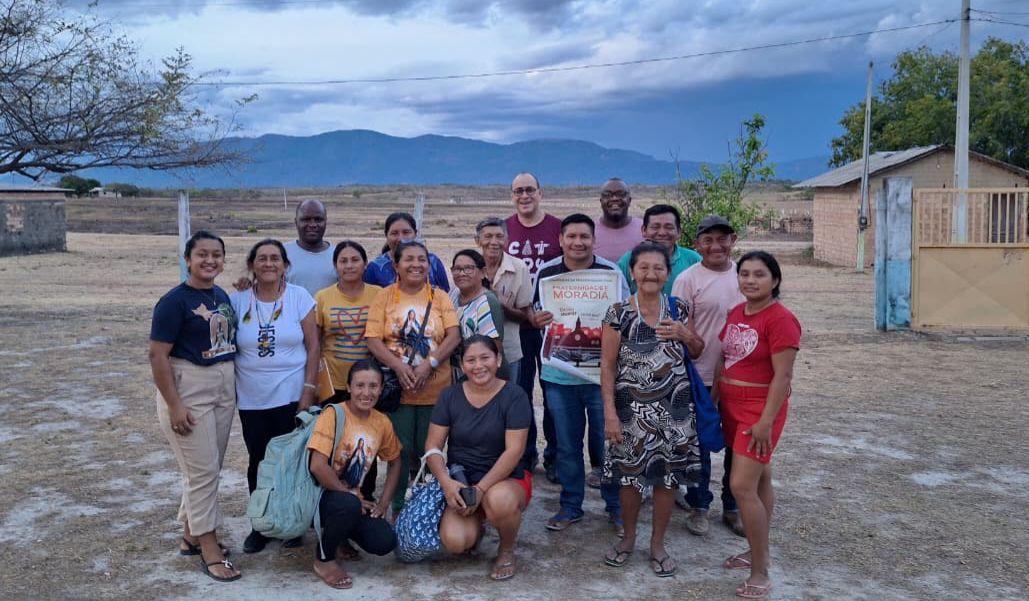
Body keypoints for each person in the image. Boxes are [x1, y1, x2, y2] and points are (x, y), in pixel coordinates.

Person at [600, 242, 704, 577]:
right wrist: (610, 414)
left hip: (674, 410)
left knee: (668, 478)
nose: (650, 274)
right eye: (643, 267)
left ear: (667, 273)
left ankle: (657, 544)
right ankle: (628, 539)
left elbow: (698, 350)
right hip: (629, 412)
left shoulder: (679, 309)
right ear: (632, 273)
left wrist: (685, 334)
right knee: (629, 479)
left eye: (658, 268)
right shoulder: (618, 313)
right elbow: (607, 365)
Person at [149, 230, 240, 582]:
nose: (210, 261)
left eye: (217, 255)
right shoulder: (174, 301)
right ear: (188, 259)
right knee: (201, 471)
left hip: (221, 384)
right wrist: (174, 404)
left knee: (208, 466)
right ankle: (209, 548)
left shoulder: (220, 295)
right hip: (189, 386)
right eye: (202, 254)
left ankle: (190, 534)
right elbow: (158, 355)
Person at [531, 213, 629, 534]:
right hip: (559, 376)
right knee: (568, 445)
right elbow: (536, 311)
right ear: (560, 240)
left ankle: (615, 506)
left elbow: (626, 316)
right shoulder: (547, 274)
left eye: (584, 237)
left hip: (602, 377)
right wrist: (538, 318)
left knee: (608, 443)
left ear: (593, 240)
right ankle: (571, 505)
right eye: (571, 236)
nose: (578, 242)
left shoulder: (610, 273)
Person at [716, 251, 801, 600]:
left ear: (775, 280)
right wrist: (715, 395)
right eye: (745, 274)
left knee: (741, 486)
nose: (750, 280)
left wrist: (766, 421)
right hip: (731, 404)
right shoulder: (737, 312)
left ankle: (761, 572)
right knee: (761, 476)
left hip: (759, 409)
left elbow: (783, 376)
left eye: (760, 274)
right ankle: (756, 550)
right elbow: (727, 356)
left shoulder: (780, 319)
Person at [230, 239, 320, 554]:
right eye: (262, 258)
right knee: (258, 461)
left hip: (292, 395)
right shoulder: (237, 300)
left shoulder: (300, 298)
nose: (269, 263)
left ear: (285, 264)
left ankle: (292, 522)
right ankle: (261, 524)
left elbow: (313, 346)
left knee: (292, 462)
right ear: (252, 264)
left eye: (275, 258)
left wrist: (309, 390)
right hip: (252, 399)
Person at [425, 335, 532, 581]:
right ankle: (478, 524)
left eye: (485, 358)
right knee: (455, 542)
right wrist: (447, 483)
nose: (478, 366)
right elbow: (432, 445)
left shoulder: (514, 395)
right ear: (462, 365)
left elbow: (514, 451)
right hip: (462, 479)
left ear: (498, 360)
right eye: (470, 360)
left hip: (505, 479)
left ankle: (506, 549)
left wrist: (482, 488)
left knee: (499, 501)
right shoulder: (449, 396)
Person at [365, 240, 461, 514]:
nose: (416, 264)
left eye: (422, 259)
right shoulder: (384, 297)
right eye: (409, 259)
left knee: (430, 453)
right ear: (396, 265)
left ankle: (429, 511)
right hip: (399, 393)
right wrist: (398, 366)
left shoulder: (440, 297)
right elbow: (373, 339)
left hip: (436, 391)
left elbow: (453, 335)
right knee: (399, 452)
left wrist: (428, 364)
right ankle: (397, 508)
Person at [671, 215, 746, 537]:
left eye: (722, 239)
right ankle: (699, 504)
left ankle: (733, 506)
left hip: (740, 377)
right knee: (698, 445)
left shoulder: (747, 275)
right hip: (699, 376)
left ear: (733, 240)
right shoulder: (688, 280)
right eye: (708, 240)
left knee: (736, 445)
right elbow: (679, 329)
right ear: (697, 244)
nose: (716, 246)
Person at [307, 360, 403, 589]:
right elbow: (317, 466)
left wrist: (383, 503)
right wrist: (350, 495)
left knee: (384, 541)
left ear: (381, 388)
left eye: (373, 386)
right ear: (349, 387)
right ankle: (324, 558)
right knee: (348, 504)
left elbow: (396, 461)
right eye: (360, 385)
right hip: (318, 497)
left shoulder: (382, 422)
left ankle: (340, 534)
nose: (366, 393)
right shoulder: (334, 414)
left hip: (350, 501)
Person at [504, 172, 562, 480]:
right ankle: (525, 454)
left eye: (529, 190)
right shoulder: (505, 229)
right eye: (518, 191)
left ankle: (555, 456)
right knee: (521, 393)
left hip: (555, 326)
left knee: (554, 393)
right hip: (519, 328)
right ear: (511, 196)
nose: (524, 196)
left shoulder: (557, 228)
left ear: (540, 193)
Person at [315, 240, 382, 502]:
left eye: (355, 259)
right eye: (343, 261)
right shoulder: (323, 297)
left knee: (367, 444)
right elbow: (316, 343)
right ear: (335, 266)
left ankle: (367, 497)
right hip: (334, 385)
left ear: (365, 264)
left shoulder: (379, 294)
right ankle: (334, 500)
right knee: (334, 446)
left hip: (368, 386)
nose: (349, 265)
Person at [474, 217, 533, 386]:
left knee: (507, 402)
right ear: (477, 241)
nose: (494, 242)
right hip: (473, 353)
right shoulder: (470, 267)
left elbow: (524, 315)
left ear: (507, 240)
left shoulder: (519, 267)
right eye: (488, 236)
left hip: (508, 352)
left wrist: (501, 307)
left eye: (499, 237)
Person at [449, 249, 509, 380]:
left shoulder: (486, 302)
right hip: (461, 372)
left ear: (483, 273)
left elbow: (494, 347)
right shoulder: (453, 294)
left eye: (468, 269)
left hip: (483, 376)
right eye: (457, 269)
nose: (462, 273)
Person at [617, 203, 701, 295]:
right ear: (644, 230)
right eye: (655, 227)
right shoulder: (628, 260)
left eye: (668, 227)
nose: (662, 233)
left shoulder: (693, 260)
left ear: (679, 232)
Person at [363, 212, 450, 291]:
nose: (400, 238)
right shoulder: (375, 267)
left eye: (406, 232)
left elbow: (446, 294)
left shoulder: (433, 262)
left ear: (415, 234)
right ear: (386, 235)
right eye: (394, 233)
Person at [285, 199, 338, 296]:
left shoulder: (339, 256)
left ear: (326, 222)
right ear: (296, 222)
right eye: (306, 219)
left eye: (318, 219)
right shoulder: (281, 254)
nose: (312, 225)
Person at [593, 178, 643, 263]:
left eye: (620, 194)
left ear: (629, 200)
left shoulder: (644, 228)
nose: (614, 198)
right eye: (607, 194)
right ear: (601, 201)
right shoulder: (589, 230)